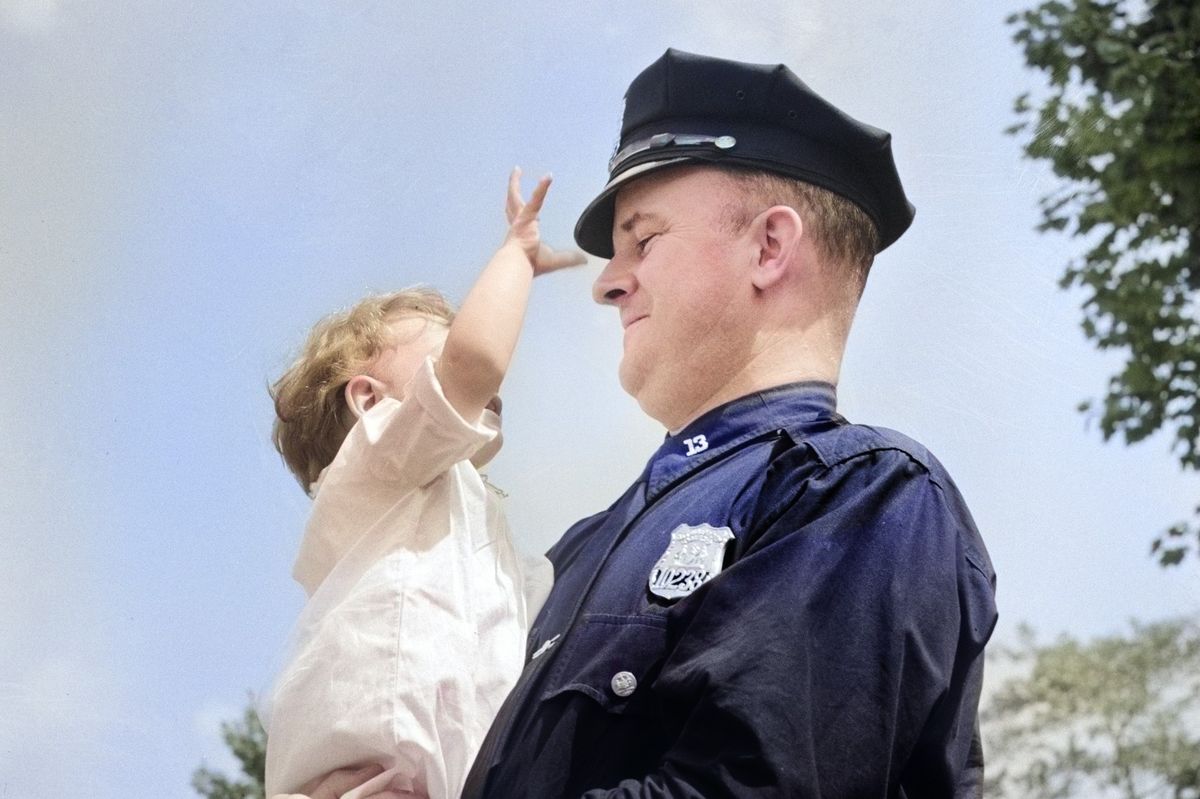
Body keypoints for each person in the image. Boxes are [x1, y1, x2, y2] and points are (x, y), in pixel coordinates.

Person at [456, 49, 999, 798]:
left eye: (643, 240)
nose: (608, 284)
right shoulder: (577, 549)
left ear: (770, 247)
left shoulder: (863, 495)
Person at [263, 170, 584, 799]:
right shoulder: (377, 462)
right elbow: (477, 362)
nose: (470, 352)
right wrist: (514, 257)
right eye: (444, 346)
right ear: (368, 399)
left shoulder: (469, 527)